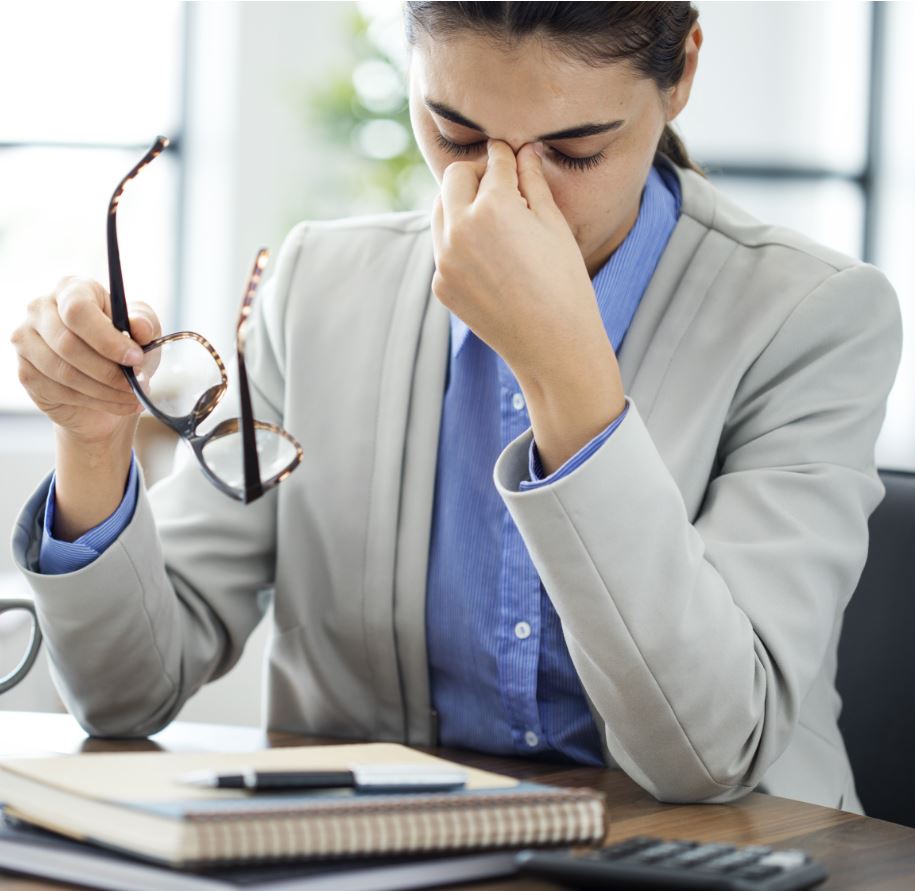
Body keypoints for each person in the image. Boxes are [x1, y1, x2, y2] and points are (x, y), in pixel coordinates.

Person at [9, 2, 901, 812]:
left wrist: (566, 371)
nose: (507, 196)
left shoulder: (811, 316)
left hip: (725, 859)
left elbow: (709, 754)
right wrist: (93, 442)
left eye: (576, 150)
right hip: (370, 858)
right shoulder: (317, 286)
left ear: (682, 73)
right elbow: (127, 694)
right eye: (455, 135)